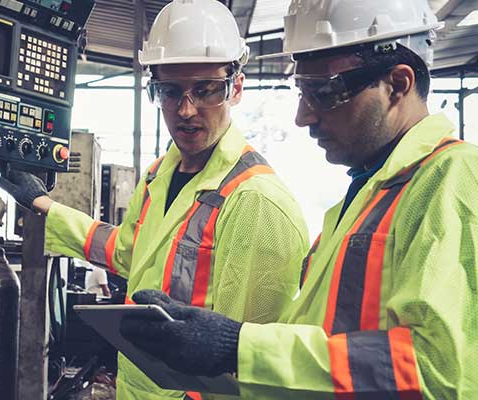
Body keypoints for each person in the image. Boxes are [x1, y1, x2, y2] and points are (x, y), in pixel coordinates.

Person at [121, 0, 478, 398]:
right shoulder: (369, 194)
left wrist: (238, 347)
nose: (302, 117)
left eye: (324, 93)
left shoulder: (454, 180)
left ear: (397, 84)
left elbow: (439, 373)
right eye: (302, 91)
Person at [0, 0, 308, 398]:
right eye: (170, 91)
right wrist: (43, 205)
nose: (186, 110)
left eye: (206, 90)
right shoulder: (161, 173)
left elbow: (246, 366)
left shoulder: (257, 203)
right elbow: (130, 251)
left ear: (237, 88)